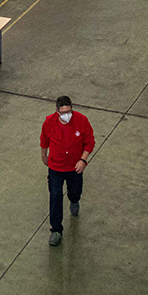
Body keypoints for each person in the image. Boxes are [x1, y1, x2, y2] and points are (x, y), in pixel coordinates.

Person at [41, 95, 96, 246]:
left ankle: (74, 200)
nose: (67, 115)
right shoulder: (49, 122)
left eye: (69, 111)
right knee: (55, 196)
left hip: (74, 168)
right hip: (56, 168)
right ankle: (56, 230)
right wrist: (44, 155)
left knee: (75, 190)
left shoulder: (81, 121)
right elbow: (44, 140)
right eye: (63, 112)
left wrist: (83, 160)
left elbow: (90, 142)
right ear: (57, 111)